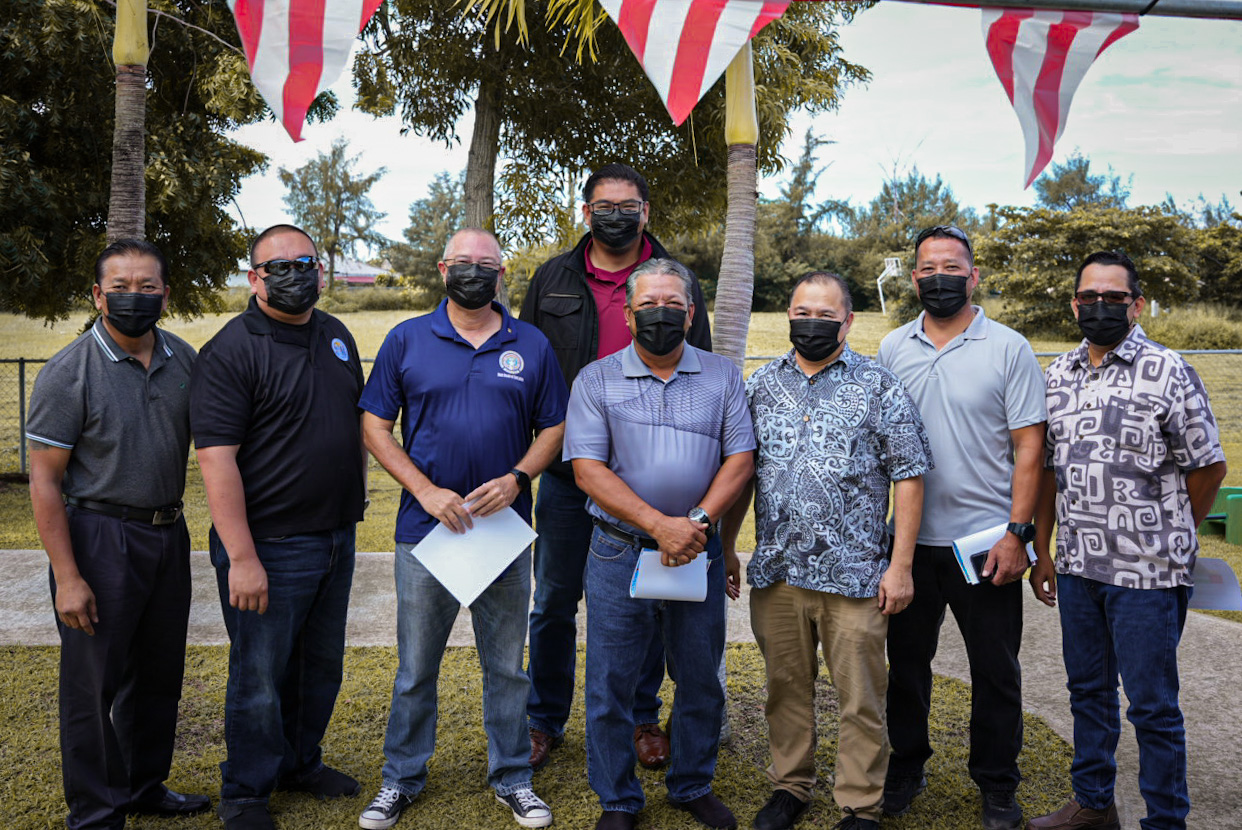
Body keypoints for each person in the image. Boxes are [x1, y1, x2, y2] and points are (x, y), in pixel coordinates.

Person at [355, 228, 568, 830]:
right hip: (426, 533)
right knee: (416, 669)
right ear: (443, 269)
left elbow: (554, 426)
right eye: (463, 262)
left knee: (507, 668)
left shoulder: (530, 343)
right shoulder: (406, 339)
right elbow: (374, 426)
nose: (475, 272)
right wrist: (423, 489)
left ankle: (513, 777)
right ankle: (401, 778)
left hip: (503, 534)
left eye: (487, 263)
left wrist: (519, 478)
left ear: (502, 273)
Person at [520, 163, 713, 772]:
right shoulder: (552, 277)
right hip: (568, 470)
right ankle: (543, 718)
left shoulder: (675, 278)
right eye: (604, 206)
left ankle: (641, 717)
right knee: (554, 600)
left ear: (646, 212)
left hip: (650, 476)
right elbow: (529, 364)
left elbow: (701, 365)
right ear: (586, 212)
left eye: (629, 206)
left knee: (648, 598)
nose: (617, 216)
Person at [722, 272, 932, 830]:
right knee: (785, 689)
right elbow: (742, 475)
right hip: (779, 571)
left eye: (825, 314)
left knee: (860, 697)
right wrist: (727, 546)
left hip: (856, 575)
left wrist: (901, 566)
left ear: (848, 321)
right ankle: (791, 786)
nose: (811, 323)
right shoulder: (761, 385)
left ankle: (860, 804)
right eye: (802, 312)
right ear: (788, 315)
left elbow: (910, 477)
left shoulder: (880, 386)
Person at [1026, 251, 1226, 830]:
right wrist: (1043, 550)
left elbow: (1207, 466)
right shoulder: (1056, 375)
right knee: (1087, 692)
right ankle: (1093, 804)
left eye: (1114, 297)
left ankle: (1165, 820)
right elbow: (1048, 472)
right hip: (1078, 568)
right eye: (1090, 297)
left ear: (1136, 305)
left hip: (1148, 574)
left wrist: (1172, 530)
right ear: (1074, 305)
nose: (1101, 306)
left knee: (1152, 707)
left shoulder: (1169, 370)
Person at [564, 258, 755, 830]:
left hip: (698, 549)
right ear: (628, 314)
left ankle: (692, 783)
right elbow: (587, 470)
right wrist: (658, 525)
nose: (660, 314)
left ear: (691, 313)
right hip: (619, 550)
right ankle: (618, 799)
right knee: (610, 683)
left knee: (699, 676)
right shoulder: (596, 379)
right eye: (648, 304)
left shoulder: (722, 376)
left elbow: (740, 459)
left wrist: (692, 523)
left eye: (673, 304)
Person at [190, 224, 367, 830]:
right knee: (260, 675)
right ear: (254, 278)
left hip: (336, 537)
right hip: (268, 546)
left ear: (321, 270)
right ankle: (245, 792)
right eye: (279, 266)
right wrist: (242, 558)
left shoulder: (336, 335)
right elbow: (216, 460)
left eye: (305, 264)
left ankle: (299, 763)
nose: (295, 275)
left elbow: (353, 423)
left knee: (319, 667)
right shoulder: (231, 350)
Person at [27, 239, 208, 830]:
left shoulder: (184, 359)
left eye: (147, 287)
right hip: (98, 536)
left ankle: (142, 787)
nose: (135, 296)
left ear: (165, 295)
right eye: (121, 287)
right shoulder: (69, 372)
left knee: (157, 675)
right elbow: (45, 482)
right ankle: (97, 813)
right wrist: (68, 577)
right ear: (98, 296)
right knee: (93, 683)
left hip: (168, 532)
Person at [876, 225, 1047, 830]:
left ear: (974, 276)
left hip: (986, 544)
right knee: (906, 667)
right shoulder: (892, 347)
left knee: (995, 671)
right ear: (913, 278)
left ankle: (997, 782)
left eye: (952, 267)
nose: (939, 277)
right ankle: (906, 765)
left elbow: (1030, 448)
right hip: (909, 544)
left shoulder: (1009, 348)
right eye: (927, 268)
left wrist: (1018, 534)